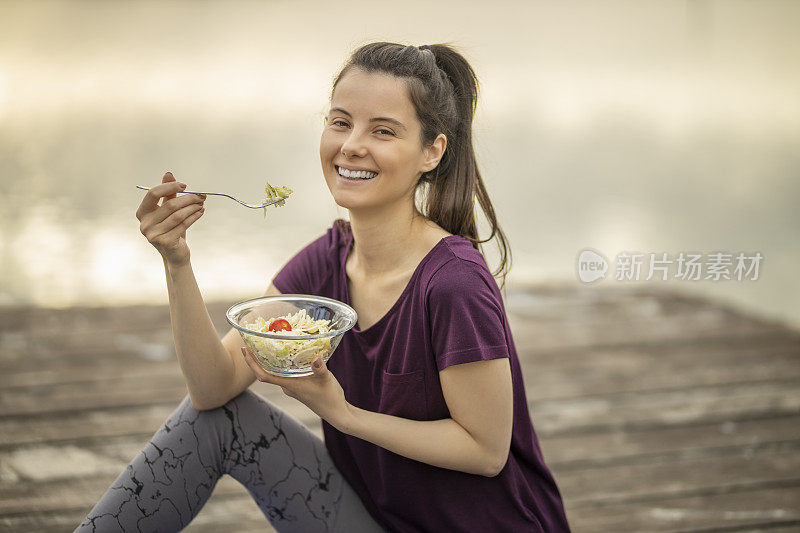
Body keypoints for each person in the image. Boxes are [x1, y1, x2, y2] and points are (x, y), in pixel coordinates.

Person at [76, 42, 571, 532]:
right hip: (372, 521)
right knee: (222, 422)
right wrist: (177, 262)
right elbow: (213, 387)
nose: (352, 144)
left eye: (383, 130)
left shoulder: (453, 282)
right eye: (340, 122)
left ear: (431, 151)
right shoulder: (327, 261)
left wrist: (345, 415)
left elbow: (485, 451)